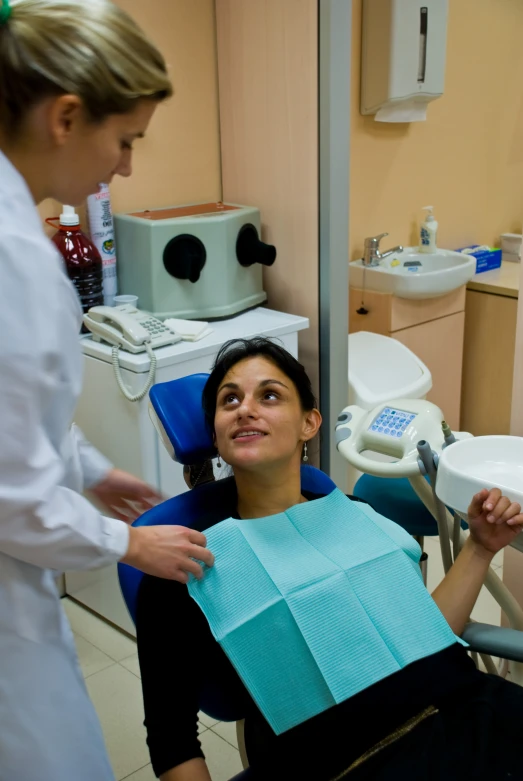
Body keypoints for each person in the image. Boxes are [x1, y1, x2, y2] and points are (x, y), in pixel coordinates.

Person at [136, 338, 523, 781]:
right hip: (348, 765)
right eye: (230, 400)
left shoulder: (361, 517)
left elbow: (425, 635)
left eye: (269, 395)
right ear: (217, 431)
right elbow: (173, 743)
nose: (245, 409)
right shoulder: (186, 566)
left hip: (476, 715)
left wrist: (479, 547)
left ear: (309, 423)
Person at [0, 1, 214, 779]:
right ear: (64, 116)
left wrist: (88, 469)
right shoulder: (13, 254)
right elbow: (10, 490)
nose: (124, 166)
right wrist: (129, 543)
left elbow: (15, 418)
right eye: (124, 140)